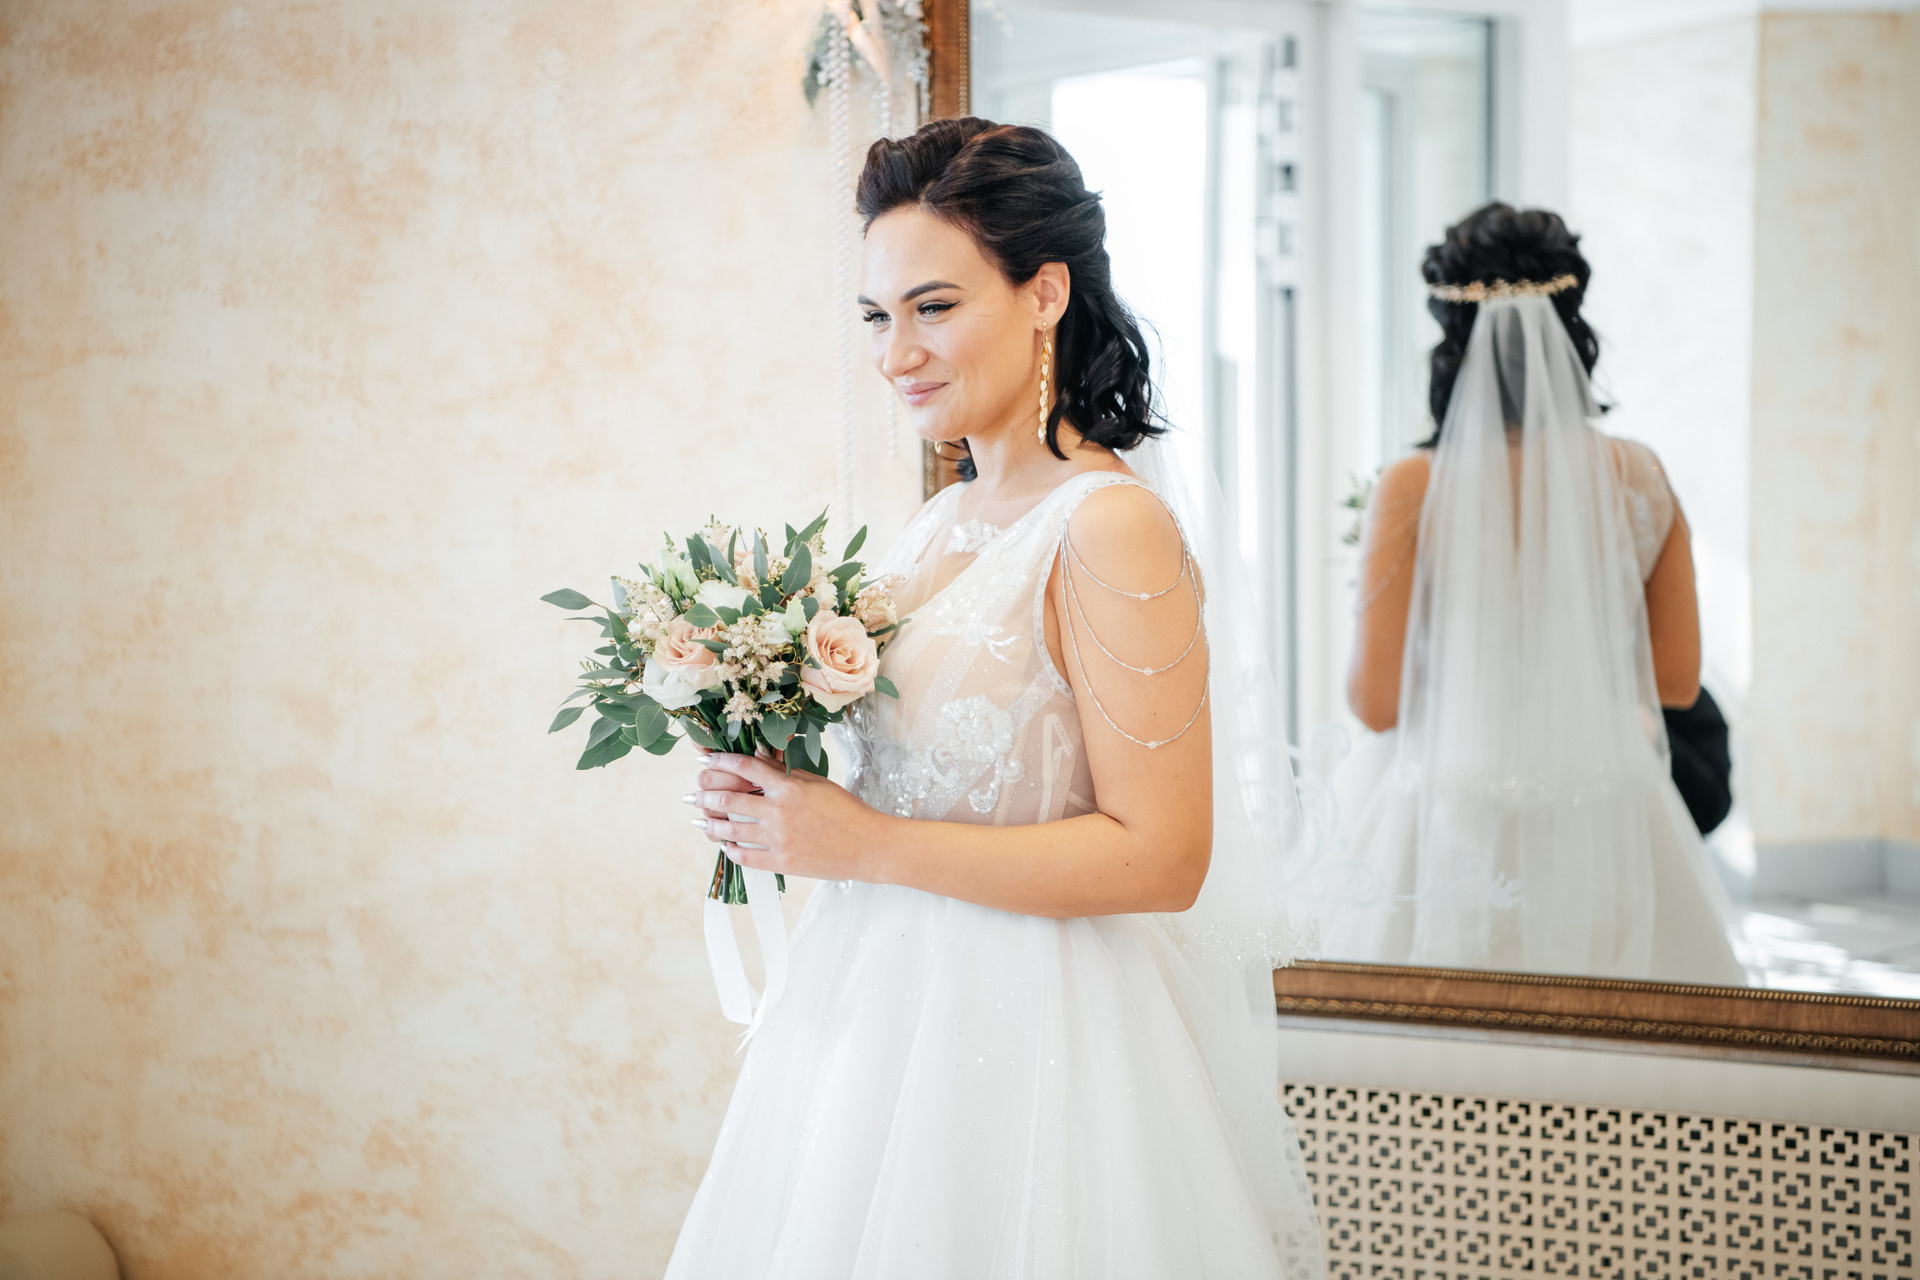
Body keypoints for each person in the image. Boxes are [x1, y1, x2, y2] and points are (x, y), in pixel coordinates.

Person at [664, 119, 1325, 1278]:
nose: (897, 353)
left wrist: (865, 844)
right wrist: (776, 784)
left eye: (933, 306)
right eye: (878, 317)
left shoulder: (1110, 526)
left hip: (1033, 1037)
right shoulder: (939, 520)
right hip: (869, 1015)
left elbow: (1163, 854)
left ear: (1044, 293)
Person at [1321, 203, 1746, 984]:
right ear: (1571, 323)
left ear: (1451, 334)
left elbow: (1376, 704)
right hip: (1603, 802)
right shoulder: (1639, 475)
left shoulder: (1412, 486)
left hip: (1446, 808)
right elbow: (1676, 681)